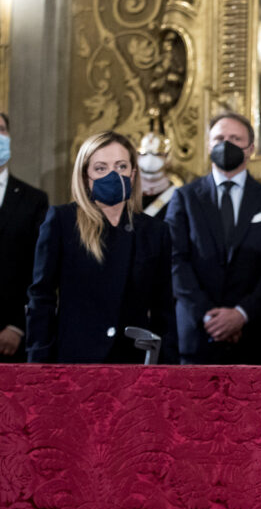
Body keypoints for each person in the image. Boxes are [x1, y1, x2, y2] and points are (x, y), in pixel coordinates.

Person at [26, 131, 176, 363]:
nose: (112, 175)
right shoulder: (62, 221)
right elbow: (41, 297)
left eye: (120, 166)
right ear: (86, 176)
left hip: (133, 362)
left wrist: (166, 369)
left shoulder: (155, 231)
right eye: (100, 168)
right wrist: (38, 364)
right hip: (74, 362)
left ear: (133, 174)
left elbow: (164, 308)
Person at [166, 112, 261, 364]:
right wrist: (209, 317)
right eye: (219, 138)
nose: (226, 144)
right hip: (196, 337)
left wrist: (241, 314)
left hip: (253, 337)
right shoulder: (184, 198)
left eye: (235, 138)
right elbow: (175, 261)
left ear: (250, 148)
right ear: (208, 146)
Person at [0, 113, 49, 362]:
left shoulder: (34, 200)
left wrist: (17, 326)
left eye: (1, 129)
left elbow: (39, 269)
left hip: (11, 338)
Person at [137, 130, 177, 218]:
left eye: (157, 154)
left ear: (167, 156)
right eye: (144, 154)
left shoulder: (178, 189)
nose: (149, 159)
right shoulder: (126, 190)